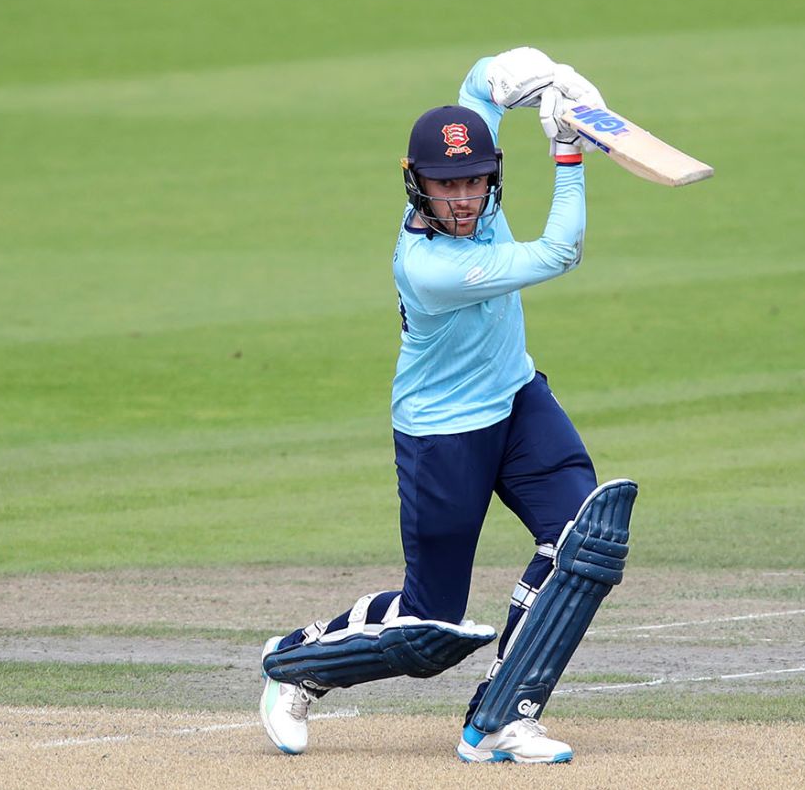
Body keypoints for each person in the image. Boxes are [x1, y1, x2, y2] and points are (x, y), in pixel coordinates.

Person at [258, 47, 638, 765]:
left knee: (584, 543)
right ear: (417, 188)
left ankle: (502, 716)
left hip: (519, 402)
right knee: (426, 634)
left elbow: (480, 86)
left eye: (475, 181)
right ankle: (296, 664)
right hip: (443, 437)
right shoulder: (433, 266)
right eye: (446, 186)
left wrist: (547, 78)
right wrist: (567, 149)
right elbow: (561, 252)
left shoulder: (478, 208)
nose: (464, 200)